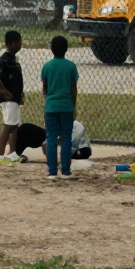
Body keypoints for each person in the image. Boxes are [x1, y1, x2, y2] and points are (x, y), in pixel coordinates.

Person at [41, 35, 79, 181]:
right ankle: (66, 170)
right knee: (66, 138)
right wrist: (73, 105)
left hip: (51, 106)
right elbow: (73, 88)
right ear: (66, 49)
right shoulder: (70, 66)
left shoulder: (47, 66)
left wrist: (46, 103)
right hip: (66, 106)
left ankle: (52, 171)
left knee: (50, 138)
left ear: (52, 50)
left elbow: (45, 88)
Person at [0, 30, 23, 159]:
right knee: (9, 125)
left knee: (14, 126)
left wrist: (21, 94)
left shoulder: (13, 59)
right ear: (13, 44)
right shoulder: (5, 58)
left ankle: (12, 153)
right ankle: (0, 155)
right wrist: (3, 90)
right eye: (19, 42)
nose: (20, 44)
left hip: (15, 98)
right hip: (8, 99)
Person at [10, 120, 92, 162]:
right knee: (25, 129)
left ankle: (15, 154)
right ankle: (15, 154)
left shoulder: (76, 126)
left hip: (81, 149)